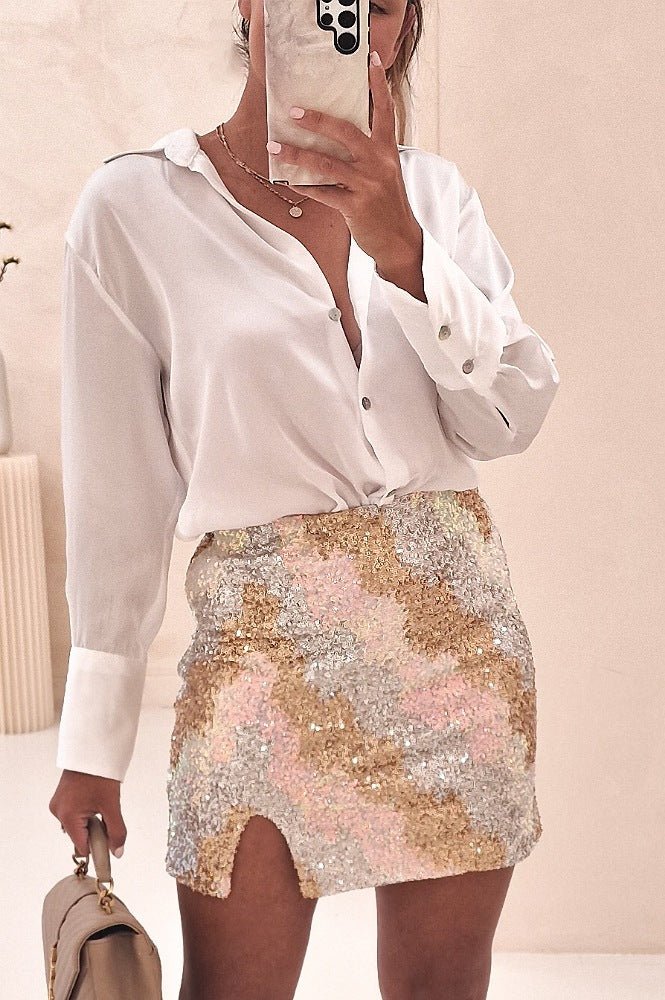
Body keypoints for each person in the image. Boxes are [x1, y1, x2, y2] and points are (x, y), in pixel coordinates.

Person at [49, 1, 560, 997]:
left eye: (378, 4)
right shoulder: (134, 208)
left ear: (400, 28)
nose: (349, 18)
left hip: (453, 651)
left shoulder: (433, 197)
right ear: (252, 5)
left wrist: (404, 252)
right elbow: (117, 496)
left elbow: (507, 419)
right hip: (257, 658)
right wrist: (91, 745)